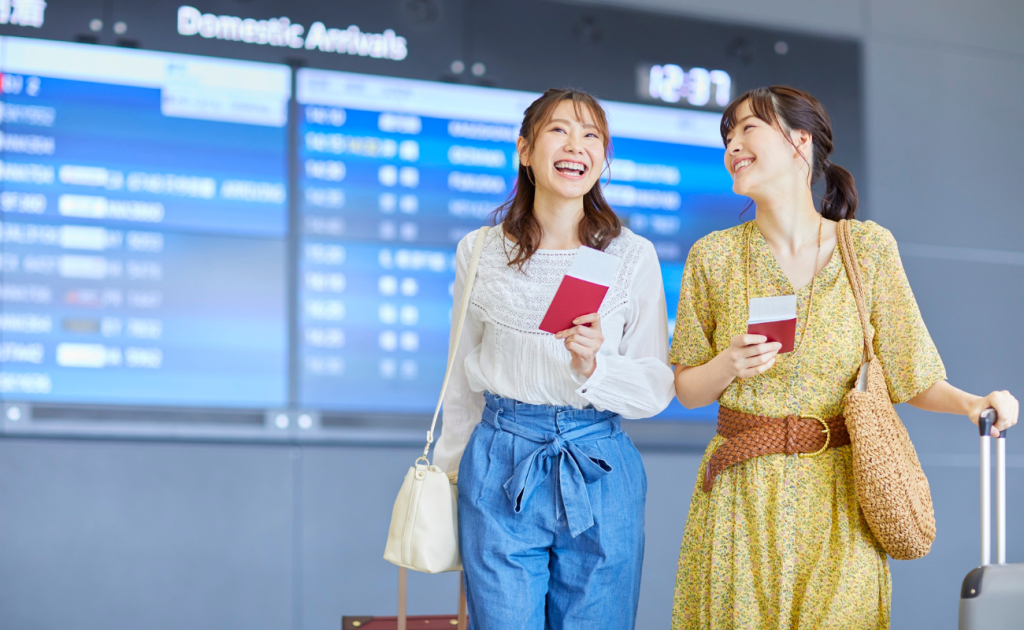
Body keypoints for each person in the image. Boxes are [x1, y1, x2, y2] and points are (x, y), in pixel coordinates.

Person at [669, 86, 1019, 629]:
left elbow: (912, 373)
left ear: (799, 140)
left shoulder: (869, 249)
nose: (733, 144)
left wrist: (975, 403)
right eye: (727, 136)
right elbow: (688, 389)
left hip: (842, 499)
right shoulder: (713, 256)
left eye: (747, 128)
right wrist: (727, 365)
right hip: (741, 498)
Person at [432, 88, 675, 630]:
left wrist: (596, 367)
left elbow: (657, 386)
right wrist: (450, 475)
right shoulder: (479, 250)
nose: (577, 145)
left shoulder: (631, 255)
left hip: (600, 462)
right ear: (525, 149)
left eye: (592, 136)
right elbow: (460, 374)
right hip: (499, 459)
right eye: (559, 130)